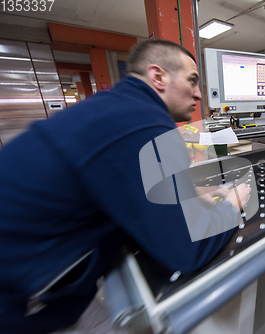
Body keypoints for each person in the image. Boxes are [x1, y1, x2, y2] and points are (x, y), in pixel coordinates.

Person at [0, 39, 250, 334]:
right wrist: (233, 204)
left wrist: (195, 193)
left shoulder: (117, 108)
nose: (198, 93)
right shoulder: (146, 123)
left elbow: (120, 178)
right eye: (192, 80)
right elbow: (188, 249)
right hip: (19, 294)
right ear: (158, 77)